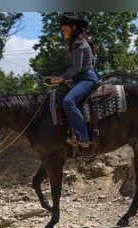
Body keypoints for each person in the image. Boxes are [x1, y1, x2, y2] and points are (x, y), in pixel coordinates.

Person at [49, 15, 98, 148]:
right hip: (81, 79)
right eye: (62, 29)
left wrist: (60, 78)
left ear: (74, 27)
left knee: (68, 101)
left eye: (65, 29)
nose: (63, 32)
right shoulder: (79, 42)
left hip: (86, 78)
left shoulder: (78, 43)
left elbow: (77, 68)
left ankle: (83, 137)